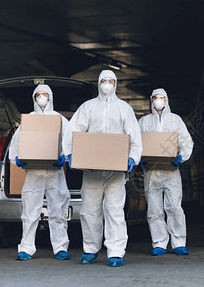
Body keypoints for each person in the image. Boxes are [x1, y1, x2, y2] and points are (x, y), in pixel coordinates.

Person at [62, 70, 142, 267]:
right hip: (92, 170)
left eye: (110, 81)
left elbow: (134, 136)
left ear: (116, 83)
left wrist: (132, 158)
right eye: (104, 81)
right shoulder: (88, 107)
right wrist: (70, 154)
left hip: (116, 171)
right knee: (89, 210)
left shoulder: (124, 109)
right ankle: (90, 249)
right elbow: (73, 131)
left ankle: (115, 252)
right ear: (98, 83)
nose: (107, 84)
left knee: (114, 210)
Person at [9, 84, 70, 261]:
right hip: (33, 172)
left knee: (58, 209)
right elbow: (15, 144)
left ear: (50, 97)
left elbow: (69, 141)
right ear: (34, 98)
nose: (42, 98)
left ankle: (60, 247)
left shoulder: (59, 119)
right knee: (29, 211)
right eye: (38, 95)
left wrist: (64, 157)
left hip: (54, 172)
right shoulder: (28, 120)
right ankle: (26, 248)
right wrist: (16, 159)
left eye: (45, 94)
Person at [138, 88, 194, 256]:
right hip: (150, 171)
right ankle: (159, 243)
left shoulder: (175, 120)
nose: (158, 101)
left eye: (161, 98)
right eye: (155, 98)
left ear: (166, 100)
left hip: (171, 170)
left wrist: (181, 157)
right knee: (154, 209)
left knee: (174, 207)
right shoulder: (144, 121)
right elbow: (136, 142)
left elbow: (186, 142)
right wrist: (140, 157)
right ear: (151, 100)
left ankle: (179, 242)